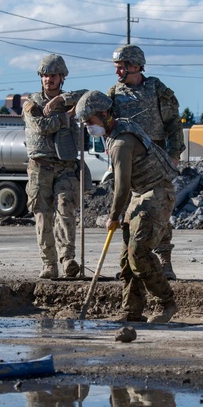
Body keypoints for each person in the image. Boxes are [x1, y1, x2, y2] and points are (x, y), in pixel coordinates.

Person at [74, 91, 178, 323]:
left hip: (156, 193)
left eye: (90, 122)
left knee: (138, 253)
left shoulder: (121, 142)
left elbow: (121, 186)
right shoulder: (114, 132)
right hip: (140, 194)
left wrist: (113, 216)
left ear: (104, 114)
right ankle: (132, 311)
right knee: (126, 258)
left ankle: (167, 303)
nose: (89, 127)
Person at [108, 44, 184, 280]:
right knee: (129, 213)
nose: (119, 72)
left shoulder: (156, 89)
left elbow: (173, 122)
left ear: (137, 66)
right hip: (128, 158)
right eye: (117, 68)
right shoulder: (114, 94)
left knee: (158, 209)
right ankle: (129, 260)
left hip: (156, 157)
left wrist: (174, 154)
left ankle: (164, 261)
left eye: (123, 67)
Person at [22, 54, 87, 279]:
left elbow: (91, 97)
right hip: (40, 167)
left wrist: (60, 102)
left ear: (62, 77)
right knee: (43, 216)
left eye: (53, 75)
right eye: (45, 75)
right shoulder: (31, 102)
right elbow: (41, 126)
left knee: (66, 211)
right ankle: (49, 264)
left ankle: (67, 258)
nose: (48, 79)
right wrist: (67, 117)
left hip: (66, 166)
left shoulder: (70, 99)